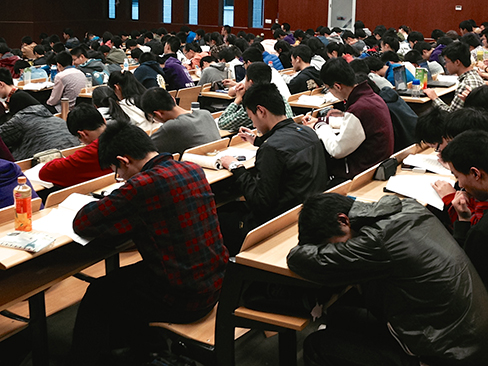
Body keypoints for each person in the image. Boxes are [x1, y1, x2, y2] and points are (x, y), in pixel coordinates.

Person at [69, 120, 228, 366]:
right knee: (123, 283)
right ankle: (146, 349)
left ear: (124, 160)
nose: (119, 178)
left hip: (185, 298)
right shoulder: (191, 168)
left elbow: (83, 222)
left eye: (117, 171)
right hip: (216, 282)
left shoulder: (142, 185)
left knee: (98, 293)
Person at [287, 192, 488, 366]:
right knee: (340, 314)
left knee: (316, 345)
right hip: (469, 338)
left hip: (445, 356)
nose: (338, 250)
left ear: (343, 220)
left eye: (333, 245)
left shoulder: (377, 241)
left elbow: (296, 258)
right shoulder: (407, 206)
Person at [219, 83, 329, 255]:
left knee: (222, 215)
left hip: (277, 222)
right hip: (308, 210)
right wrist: (257, 141)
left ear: (261, 111)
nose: (253, 123)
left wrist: (236, 167)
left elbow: (260, 202)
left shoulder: (271, 149)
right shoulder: (307, 132)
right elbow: (286, 145)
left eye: (251, 116)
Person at [303, 58, 394, 181]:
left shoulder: (359, 109)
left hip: (361, 174)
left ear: (337, 86)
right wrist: (323, 121)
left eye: (328, 88)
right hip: (377, 165)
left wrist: (319, 126)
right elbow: (354, 123)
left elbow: (337, 150)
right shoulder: (372, 97)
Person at [441, 130, 488, 288]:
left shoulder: (481, 233)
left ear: (475, 174)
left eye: (457, 176)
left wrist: (462, 222)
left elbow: (463, 276)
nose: (460, 185)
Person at [39, 104, 112, 187]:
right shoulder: (125, 133)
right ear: (104, 120)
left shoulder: (92, 152)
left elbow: (45, 172)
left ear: (82, 134)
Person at [141, 87, 220, 155]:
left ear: (158, 114)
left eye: (153, 117)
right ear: (173, 99)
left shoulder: (172, 126)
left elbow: (144, 149)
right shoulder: (205, 113)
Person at [0, 91, 79, 160]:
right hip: (75, 152)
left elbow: (2, 137)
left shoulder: (21, 119)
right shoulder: (53, 117)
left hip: (46, 159)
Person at [218, 62, 293, 132]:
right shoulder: (279, 95)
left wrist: (237, 100)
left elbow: (222, 123)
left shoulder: (254, 103)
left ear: (251, 82)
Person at [424, 42, 484, 112]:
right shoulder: (475, 76)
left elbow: (451, 115)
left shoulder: (465, 85)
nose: (445, 66)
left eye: (446, 61)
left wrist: (434, 98)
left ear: (457, 62)